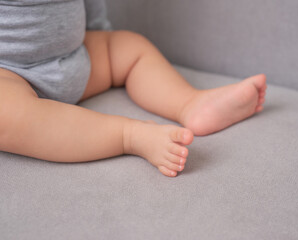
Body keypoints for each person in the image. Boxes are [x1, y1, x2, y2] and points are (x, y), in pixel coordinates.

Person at [0, 0, 266, 177]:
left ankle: (189, 103)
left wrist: (100, 34)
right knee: (5, 113)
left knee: (129, 46)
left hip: (74, 57)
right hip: (9, 73)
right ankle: (129, 135)